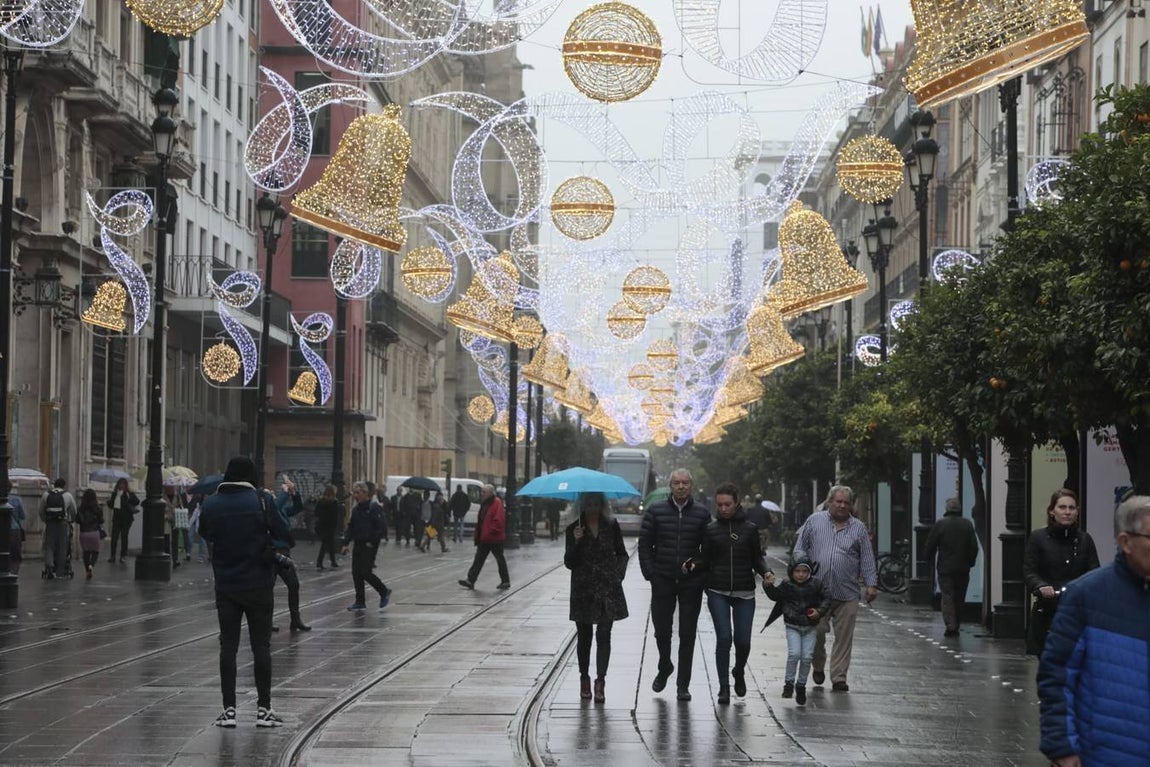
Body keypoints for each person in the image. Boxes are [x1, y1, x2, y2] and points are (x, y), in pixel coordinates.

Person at [1038, 493, 1150, 767]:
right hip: (1102, 753)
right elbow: (1056, 676)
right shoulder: (1086, 596)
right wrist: (1062, 746)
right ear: (1126, 542)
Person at [198, 456, 291, 728]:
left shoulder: (212, 503)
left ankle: (229, 711)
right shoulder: (261, 500)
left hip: (226, 585)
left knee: (228, 646)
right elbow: (284, 532)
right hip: (259, 584)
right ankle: (264, 710)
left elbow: (206, 532)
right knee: (260, 646)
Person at [692, 483, 770, 704]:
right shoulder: (711, 529)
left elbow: (758, 558)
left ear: (737, 503)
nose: (723, 508)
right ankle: (724, 687)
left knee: (743, 641)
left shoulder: (750, 529)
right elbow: (704, 559)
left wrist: (767, 572)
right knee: (724, 638)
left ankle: (738, 670)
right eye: (719, 505)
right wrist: (691, 565)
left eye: (727, 504)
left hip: (745, 591)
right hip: (718, 590)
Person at [637, 468, 711, 701]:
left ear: (691, 485)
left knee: (688, 634)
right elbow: (644, 544)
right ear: (670, 485)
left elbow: (708, 550)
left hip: (690, 583)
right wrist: (651, 573)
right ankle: (665, 664)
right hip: (663, 580)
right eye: (677, 483)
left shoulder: (701, 513)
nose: (681, 487)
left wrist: (697, 568)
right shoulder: (656, 511)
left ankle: (683, 685)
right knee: (662, 631)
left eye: (685, 483)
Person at [795, 485, 877, 692]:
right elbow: (799, 549)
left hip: (847, 592)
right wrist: (798, 576)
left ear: (850, 505)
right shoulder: (814, 521)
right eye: (838, 501)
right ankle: (818, 664)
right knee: (816, 632)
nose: (842, 505)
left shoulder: (858, 528)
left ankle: (839, 677)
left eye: (846, 502)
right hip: (817, 593)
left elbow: (867, 557)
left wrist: (871, 584)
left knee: (844, 638)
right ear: (829, 501)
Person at [564, 492, 629, 703]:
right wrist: (576, 541)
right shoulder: (573, 528)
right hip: (583, 590)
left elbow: (622, 553)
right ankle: (584, 678)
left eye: (595, 503)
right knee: (584, 638)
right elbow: (569, 562)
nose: (591, 507)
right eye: (588, 503)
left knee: (604, 634)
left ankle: (600, 681)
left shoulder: (611, 525)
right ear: (581, 505)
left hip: (607, 589)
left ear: (601, 505)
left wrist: (617, 575)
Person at [1024, 488, 1100, 656]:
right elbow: (1029, 571)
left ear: (1077, 512)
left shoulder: (1084, 540)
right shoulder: (1038, 538)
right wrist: (1041, 586)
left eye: (1071, 508)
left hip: (1077, 611)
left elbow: (1094, 571)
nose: (1067, 512)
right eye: (1062, 507)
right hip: (1048, 610)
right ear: (1052, 511)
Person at [763, 551, 830, 706]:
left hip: (810, 626)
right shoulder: (787, 584)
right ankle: (788, 684)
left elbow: (827, 598)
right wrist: (768, 585)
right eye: (797, 571)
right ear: (792, 571)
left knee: (807, 657)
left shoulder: (816, 584)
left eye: (805, 571)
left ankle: (801, 685)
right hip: (792, 625)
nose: (801, 575)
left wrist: (819, 612)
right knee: (794, 654)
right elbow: (776, 595)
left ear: (810, 572)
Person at [925, 497, 980, 637]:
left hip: (945, 568)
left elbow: (931, 544)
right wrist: (970, 562)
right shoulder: (967, 524)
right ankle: (957, 623)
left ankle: (951, 624)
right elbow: (974, 547)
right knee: (960, 596)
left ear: (947, 509)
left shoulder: (941, 525)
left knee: (947, 596)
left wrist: (928, 559)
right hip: (963, 568)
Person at [341, 481, 391, 610]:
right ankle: (360, 601)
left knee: (365, 572)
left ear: (365, 493)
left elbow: (381, 527)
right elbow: (351, 527)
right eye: (354, 493)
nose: (355, 496)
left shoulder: (374, 508)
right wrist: (345, 543)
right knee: (356, 573)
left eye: (358, 493)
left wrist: (372, 541)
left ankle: (384, 591)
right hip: (358, 543)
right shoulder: (356, 509)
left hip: (369, 545)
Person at [271, 476, 309, 631]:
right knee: (268, 587)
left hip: (284, 553)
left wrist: (294, 492)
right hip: (272, 553)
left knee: (293, 584)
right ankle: (267, 620)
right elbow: (274, 506)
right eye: (270, 493)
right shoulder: (269, 511)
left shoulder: (283, 512)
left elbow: (298, 507)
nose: (273, 494)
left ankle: (295, 619)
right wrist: (285, 492)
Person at [458, 484, 510, 590]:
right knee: (478, 559)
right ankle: (470, 580)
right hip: (485, 538)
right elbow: (481, 521)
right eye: (482, 492)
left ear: (491, 493)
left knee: (500, 559)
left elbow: (498, 520)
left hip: (494, 538)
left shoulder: (497, 503)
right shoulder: (485, 504)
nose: (482, 494)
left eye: (484, 492)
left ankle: (505, 581)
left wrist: (491, 531)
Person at [40, 478, 76, 578]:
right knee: (62, 546)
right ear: (64, 485)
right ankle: (60, 571)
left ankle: (50, 566)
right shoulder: (67, 495)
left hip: (50, 523)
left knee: (49, 545)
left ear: (54, 485)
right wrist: (71, 520)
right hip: (63, 523)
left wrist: (46, 520)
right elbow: (73, 511)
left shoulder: (46, 495)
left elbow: (41, 510)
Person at [107, 478, 139, 563]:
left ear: (125, 486)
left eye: (123, 484)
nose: (121, 486)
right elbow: (112, 505)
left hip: (126, 518)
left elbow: (136, 501)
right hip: (117, 518)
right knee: (114, 537)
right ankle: (112, 556)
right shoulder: (115, 494)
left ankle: (123, 556)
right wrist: (109, 502)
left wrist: (129, 497)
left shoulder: (128, 494)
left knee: (124, 537)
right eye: (120, 484)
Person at [75, 489, 105, 579]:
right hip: (94, 533)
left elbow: (77, 520)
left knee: (86, 552)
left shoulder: (80, 509)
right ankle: (91, 565)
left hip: (83, 533)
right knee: (95, 552)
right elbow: (101, 520)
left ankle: (87, 570)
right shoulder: (98, 508)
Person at [313, 484, 341, 569]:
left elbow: (316, 512)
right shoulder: (334, 502)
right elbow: (335, 516)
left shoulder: (321, 501)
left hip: (321, 525)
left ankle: (332, 561)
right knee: (327, 544)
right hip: (330, 526)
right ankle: (320, 562)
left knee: (328, 543)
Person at [5, 482, 25, 574]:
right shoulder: (16, 500)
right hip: (14, 530)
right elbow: (23, 516)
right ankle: (13, 574)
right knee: (15, 555)